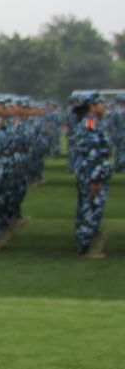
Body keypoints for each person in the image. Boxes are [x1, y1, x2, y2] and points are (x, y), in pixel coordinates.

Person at [69, 91, 113, 258]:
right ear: (92, 106)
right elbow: (93, 154)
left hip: (93, 174)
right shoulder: (90, 125)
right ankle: (85, 246)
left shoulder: (93, 123)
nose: (104, 106)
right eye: (101, 103)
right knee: (90, 208)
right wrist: (96, 179)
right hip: (91, 175)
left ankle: (86, 241)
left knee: (89, 207)